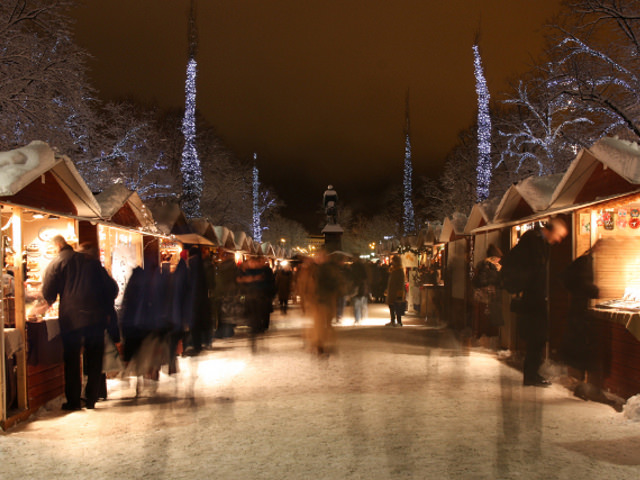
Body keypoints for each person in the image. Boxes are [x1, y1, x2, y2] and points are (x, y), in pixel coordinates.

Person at [42, 235, 116, 410]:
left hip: (70, 318)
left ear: (58, 246)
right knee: (95, 358)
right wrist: (103, 307)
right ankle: (91, 398)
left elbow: (48, 292)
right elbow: (112, 289)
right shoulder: (91, 262)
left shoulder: (57, 263)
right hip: (95, 318)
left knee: (72, 359)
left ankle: (74, 401)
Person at [500, 217, 569, 387]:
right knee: (535, 337)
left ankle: (532, 374)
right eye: (559, 235)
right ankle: (530, 376)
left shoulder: (541, 243)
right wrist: (525, 285)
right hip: (532, 299)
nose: (559, 240)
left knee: (538, 338)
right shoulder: (532, 240)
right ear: (550, 229)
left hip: (537, 298)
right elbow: (521, 265)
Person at [472, 244, 503, 338]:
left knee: (488, 317)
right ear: (494, 258)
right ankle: (486, 337)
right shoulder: (487, 266)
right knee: (486, 317)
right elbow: (483, 280)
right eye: (498, 258)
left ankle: (487, 337)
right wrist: (496, 280)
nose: (499, 260)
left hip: (488, 296)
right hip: (487, 296)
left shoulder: (491, 266)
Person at [386, 255, 406, 327]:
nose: (392, 262)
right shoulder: (393, 270)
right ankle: (393, 320)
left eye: (393, 261)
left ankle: (399, 321)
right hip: (392, 291)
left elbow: (400, 283)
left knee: (398, 306)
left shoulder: (399, 270)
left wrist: (400, 293)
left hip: (397, 292)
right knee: (391, 306)